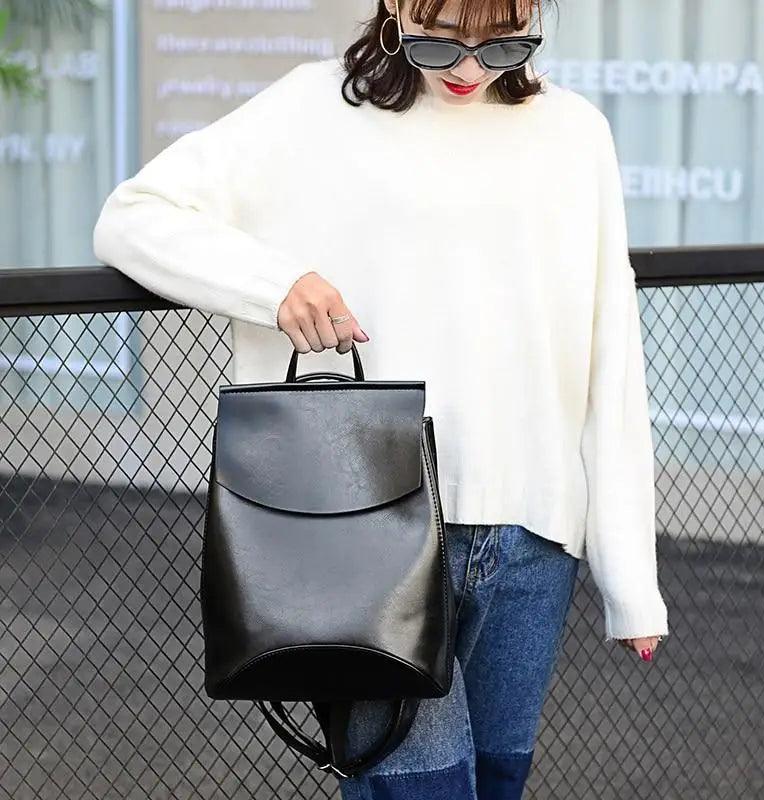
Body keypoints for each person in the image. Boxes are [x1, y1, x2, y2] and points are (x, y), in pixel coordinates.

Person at [93, 0, 670, 796]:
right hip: (368, 534)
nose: (470, 68)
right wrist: (275, 286)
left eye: (504, 41)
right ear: (397, 6)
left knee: (496, 786)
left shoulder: (575, 135)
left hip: (534, 539)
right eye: (442, 40)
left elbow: (614, 349)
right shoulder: (311, 108)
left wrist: (629, 575)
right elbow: (132, 218)